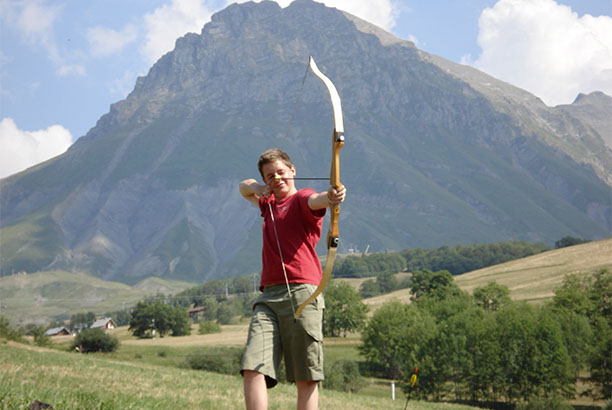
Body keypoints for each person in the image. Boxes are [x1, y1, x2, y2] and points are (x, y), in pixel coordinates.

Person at [239, 148, 346, 410]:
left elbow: (319, 199)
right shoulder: (267, 205)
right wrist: (257, 186)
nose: (277, 179)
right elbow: (243, 188)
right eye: (270, 176)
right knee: (252, 366)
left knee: (305, 377)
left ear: (293, 170)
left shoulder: (302, 199)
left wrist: (333, 196)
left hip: (302, 295)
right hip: (268, 297)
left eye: (281, 172)